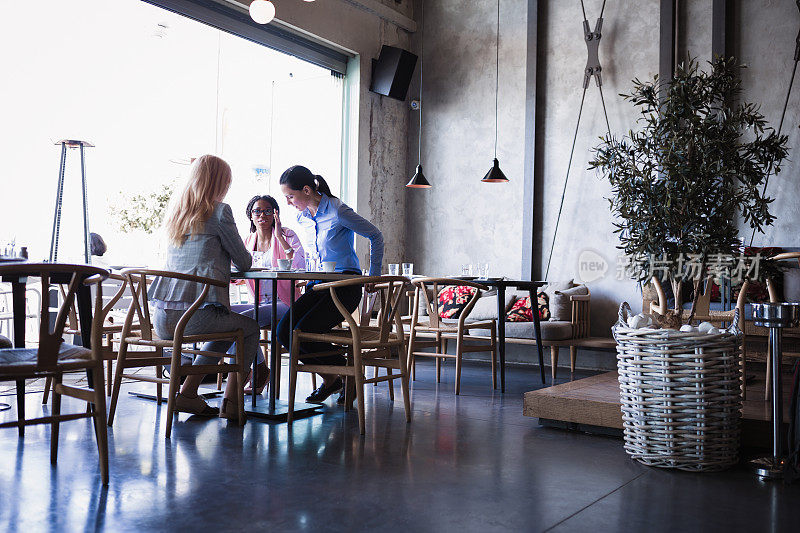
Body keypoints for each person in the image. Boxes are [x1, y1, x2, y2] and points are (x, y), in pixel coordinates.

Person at [149, 154, 258, 420]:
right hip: (193, 317)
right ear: (220, 182)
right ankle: (232, 404)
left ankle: (188, 396)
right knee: (250, 329)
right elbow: (244, 260)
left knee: (225, 330)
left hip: (163, 319)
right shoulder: (220, 211)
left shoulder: (177, 214)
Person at [277, 165, 384, 404]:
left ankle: (346, 372)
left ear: (306, 190)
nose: (288, 203)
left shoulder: (338, 210)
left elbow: (376, 235)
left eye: (290, 197)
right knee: (284, 331)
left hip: (345, 286)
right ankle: (333, 379)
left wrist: (373, 275)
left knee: (306, 331)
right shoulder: (302, 218)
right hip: (318, 286)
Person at [234, 194, 305, 394]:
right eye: (257, 211)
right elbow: (236, 274)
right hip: (258, 302)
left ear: (275, 214)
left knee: (242, 321)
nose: (262, 215)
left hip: (285, 302)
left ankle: (253, 370)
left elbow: (300, 266)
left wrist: (280, 238)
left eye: (267, 211)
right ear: (250, 215)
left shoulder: (288, 235)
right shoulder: (247, 241)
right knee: (226, 314)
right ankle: (260, 367)